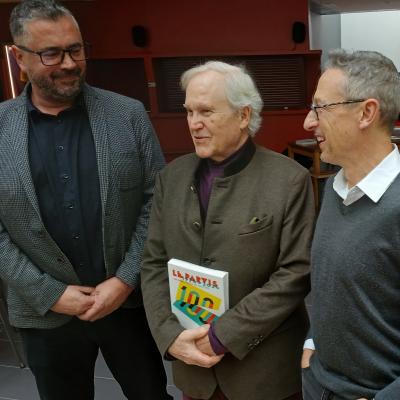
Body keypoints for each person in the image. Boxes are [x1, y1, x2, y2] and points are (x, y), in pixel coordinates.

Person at [0, 0, 171, 399]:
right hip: (45, 312)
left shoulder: (127, 114)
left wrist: (126, 280)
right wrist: (50, 293)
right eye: (51, 53)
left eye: (76, 49)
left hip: (127, 307)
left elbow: (156, 203)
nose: (69, 63)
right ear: (19, 57)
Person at [141, 60, 315, 400]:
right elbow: (153, 263)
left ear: (243, 116)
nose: (194, 124)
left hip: (264, 373)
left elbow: (296, 272)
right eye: (189, 111)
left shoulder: (289, 180)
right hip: (194, 370)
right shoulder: (171, 178)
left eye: (206, 111)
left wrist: (223, 334)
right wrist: (169, 336)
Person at [301, 49, 400, 400]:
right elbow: (332, 285)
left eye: (320, 108)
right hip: (319, 383)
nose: (308, 123)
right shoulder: (333, 187)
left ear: (366, 112)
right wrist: (313, 341)